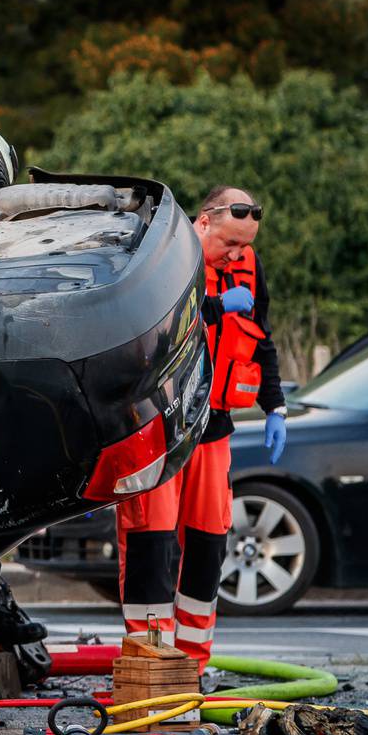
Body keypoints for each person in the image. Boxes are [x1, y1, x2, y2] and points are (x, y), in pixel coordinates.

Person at [116, 187, 288, 659]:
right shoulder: (164, 257)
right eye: (230, 243)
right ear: (204, 222)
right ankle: (150, 659)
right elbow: (154, 326)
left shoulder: (248, 269)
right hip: (157, 428)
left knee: (210, 539)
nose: (236, 254)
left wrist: (276, 407)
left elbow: (261, 339)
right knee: (150, 539)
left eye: (244, 245)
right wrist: (215, 307)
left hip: (213, 428)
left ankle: (193, 661)